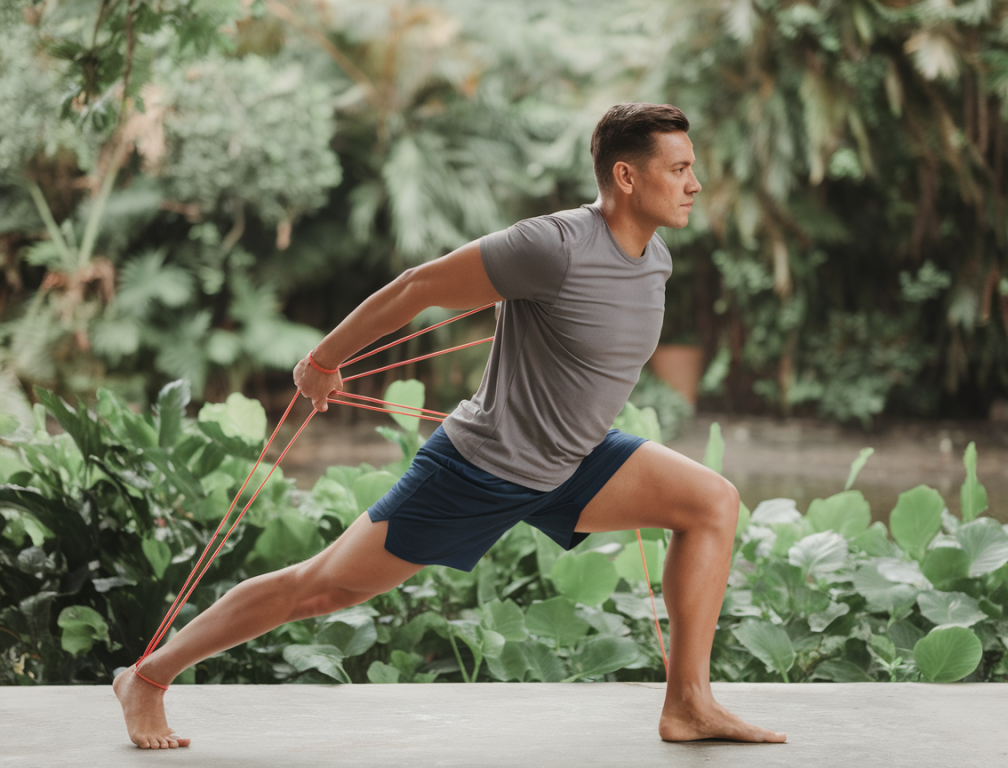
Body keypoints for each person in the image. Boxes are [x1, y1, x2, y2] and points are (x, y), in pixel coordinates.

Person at [114, 102, 786, 749]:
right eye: (679, 169)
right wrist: (322, 361)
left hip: (574, 462)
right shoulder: (552, 245)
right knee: (317, 589)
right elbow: (419, 286)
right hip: (482, 469)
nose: (695, 184)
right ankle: (147, 677)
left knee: (711, 503)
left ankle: (688, 702)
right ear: (626, 176)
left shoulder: (656, 259)